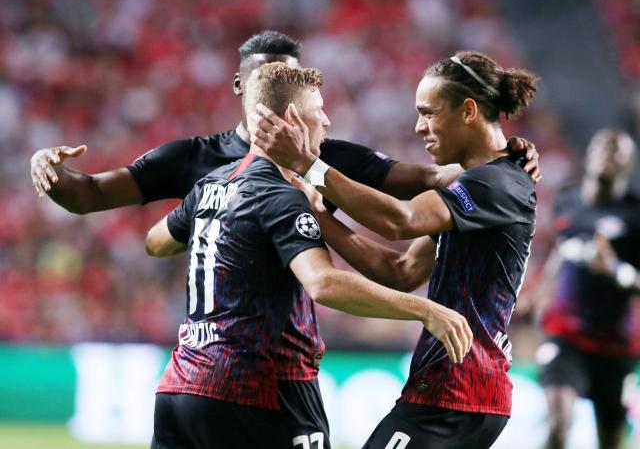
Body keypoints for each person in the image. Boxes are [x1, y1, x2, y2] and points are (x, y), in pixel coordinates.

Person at [28, 30, 541, 446]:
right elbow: (368, 273)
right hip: (267, 385)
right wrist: (46, 169)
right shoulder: (209, 160)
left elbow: (432, 191)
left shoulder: (255, 172)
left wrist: (507, 159)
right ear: (249, 91)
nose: (418, 126)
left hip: (188, 379)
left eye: (428, 114)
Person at [144, 62, 473, 449]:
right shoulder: (280, 195)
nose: (328, 121)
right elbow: (323, 283)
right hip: (262, 389)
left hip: (180, 387)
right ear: (292, 119)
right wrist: (424, 310)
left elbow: (156, 242)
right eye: (319, 112)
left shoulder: (211, 184)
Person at [251, 51, 538, 448]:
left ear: (469, 111)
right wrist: (319, 215)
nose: (419, 126)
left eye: (428, 112)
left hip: (457, 393)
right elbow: (401, 270)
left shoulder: (495, 184)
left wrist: (307, 164)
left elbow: (400, 220)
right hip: (455, 390)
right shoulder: (478, 187)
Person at [524, 129, 640, 449]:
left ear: (629, 164)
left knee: (611, 441)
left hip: (615, 346)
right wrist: (539, 291)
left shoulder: (635, 215)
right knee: (559, 425)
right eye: (603, 147)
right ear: (590, 153)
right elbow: (562, 249)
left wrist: (617, 271)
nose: (608, 155)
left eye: (618, 152)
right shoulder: (566, 199)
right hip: (566, 337)